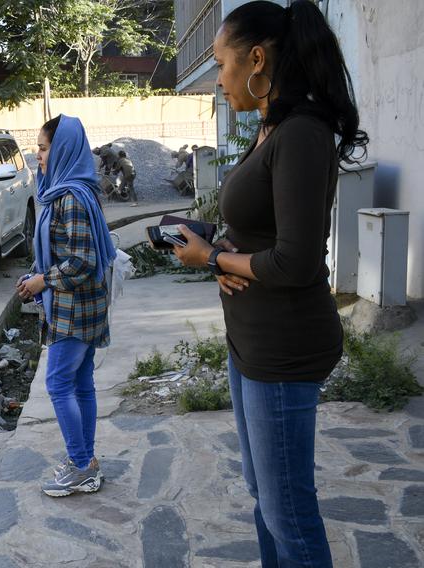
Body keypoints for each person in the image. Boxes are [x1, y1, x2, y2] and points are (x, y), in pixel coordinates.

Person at [171, 2, 368, 565]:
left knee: (288, 511)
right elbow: (265, 232)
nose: (216, 80)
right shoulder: (270, 127)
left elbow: (296, 262)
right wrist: (222, 250)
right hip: (250, 342)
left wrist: (213, 258)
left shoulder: (302, 134)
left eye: (221, 64)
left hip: (284, 347)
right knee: (266, 497)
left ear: (257, 59)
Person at [17, 115, 117, 498]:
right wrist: (34, 275)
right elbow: (58, 253)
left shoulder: (71, 197)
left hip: (74, 310)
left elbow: (82, 262)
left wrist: (42, 281)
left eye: (43, 149)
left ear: (61, 150)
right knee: (80, 383)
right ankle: (85, 461)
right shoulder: (66, 191)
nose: (37, 157)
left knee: (59, 383)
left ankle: (80, 465)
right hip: (81, 305)